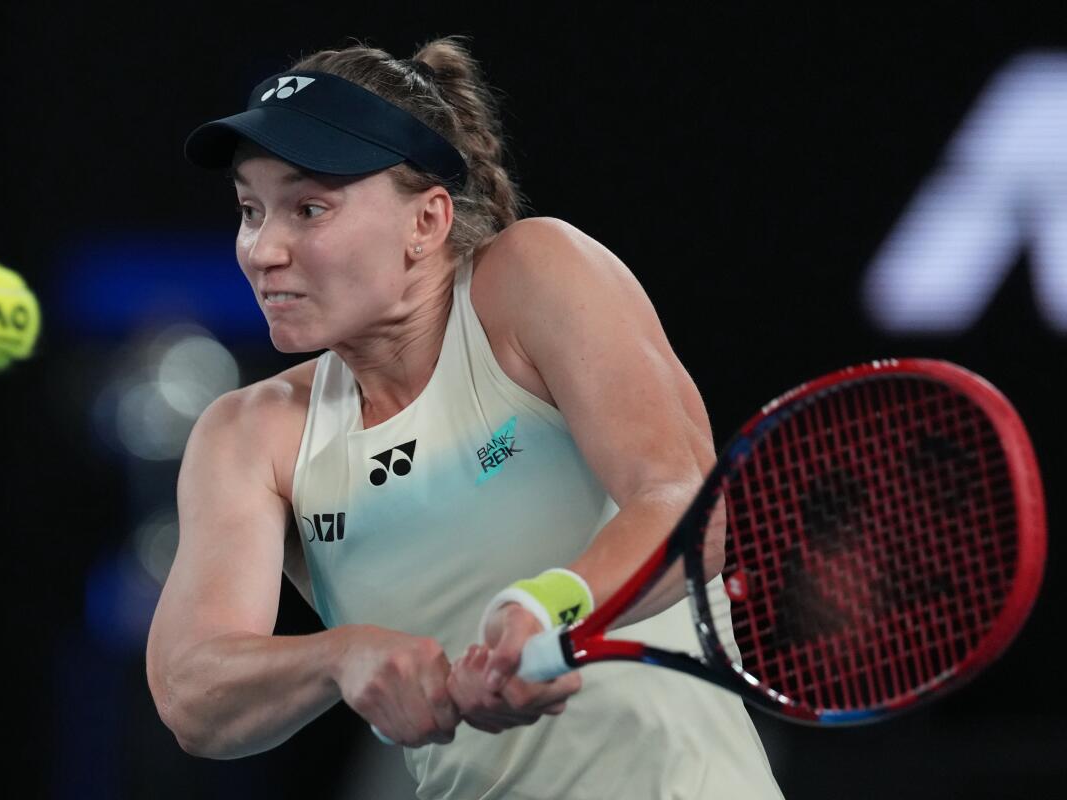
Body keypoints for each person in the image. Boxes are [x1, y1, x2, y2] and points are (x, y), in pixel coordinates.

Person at [146, 36, 783, 799]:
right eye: (251, 210)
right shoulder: (251, 435)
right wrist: (340, 657)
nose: (263, 249)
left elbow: (689, 509)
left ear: (428, 221)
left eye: (308, 207)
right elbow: (193, 692)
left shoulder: (533, 276)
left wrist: (544, 610)